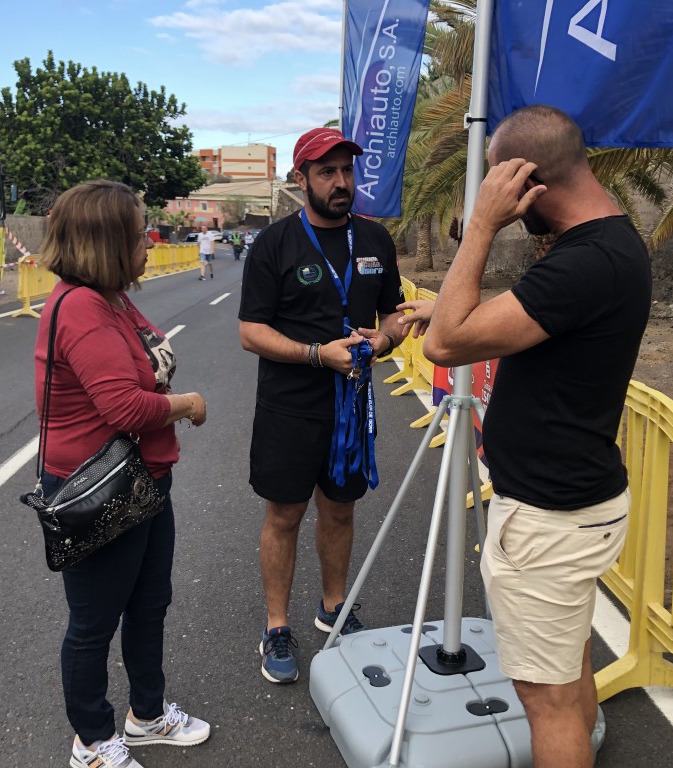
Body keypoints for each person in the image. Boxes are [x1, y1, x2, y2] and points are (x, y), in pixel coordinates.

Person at [423, 105, 651, 768]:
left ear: (529, 183)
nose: (504, 202)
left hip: (549, 519)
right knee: (567, 661)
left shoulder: (585, 264)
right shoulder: (607, 245)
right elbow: (528, 321)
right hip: (579, 501)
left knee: (543, 700)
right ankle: (586, 738)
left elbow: (445, 342)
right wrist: (437, 305)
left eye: (503, 188)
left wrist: (483, 226)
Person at [33, 180, 212, 768]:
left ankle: (147, 715)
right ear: (108, 240)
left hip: (141, 483)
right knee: (92, 624)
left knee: (149, 602)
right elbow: (124, 408)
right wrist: (186, 404)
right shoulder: (81, 307)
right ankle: (91, 741)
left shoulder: (112, 297)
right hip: (97, 489)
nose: (150, 240)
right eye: (139, 232)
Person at [238, 127, 406, 684]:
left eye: (347, 171)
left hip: (352, 407)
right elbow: (250, 332)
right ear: (301, 178)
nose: (341, 182)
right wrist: (315, 354)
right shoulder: (274, 244)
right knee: (284, 515)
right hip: (289, 407)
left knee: (340, 509)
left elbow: (394, 318)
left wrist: (383, 342)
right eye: (327, 172)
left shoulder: (376, 241)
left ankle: (334, 606)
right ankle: (277, 626)